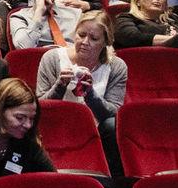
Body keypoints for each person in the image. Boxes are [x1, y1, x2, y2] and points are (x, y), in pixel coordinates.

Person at [35, 13, 129, 151]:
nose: (85, 42)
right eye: (81, 35)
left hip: (96, 128)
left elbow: (115, 113)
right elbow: (39, 107)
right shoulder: (52, 58)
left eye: (94, 38)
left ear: (105, 42)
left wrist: (90, 94)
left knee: (112, 125)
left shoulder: (116, 66)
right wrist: (59, 86)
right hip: (56, 122)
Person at [8, 0, 86, 50]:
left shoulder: (76, 14)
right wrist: (38, 12)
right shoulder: (19, 17)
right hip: (37, 61)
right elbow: (23, 47)